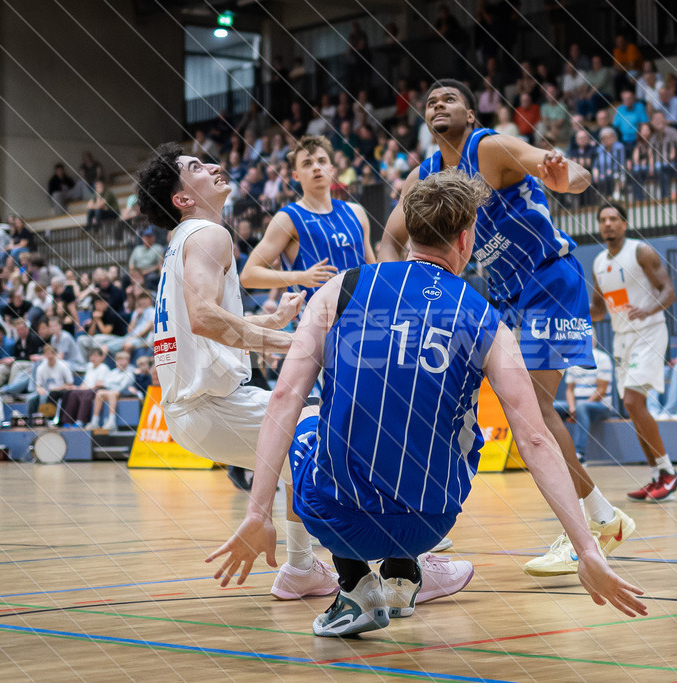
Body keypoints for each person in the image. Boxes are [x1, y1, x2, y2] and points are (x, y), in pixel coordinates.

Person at [206, 169, 647, 637]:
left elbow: (283, 396)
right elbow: (535, 438)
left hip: (339, 522)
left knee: (310, 415)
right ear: (465, 238)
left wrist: (257, 514)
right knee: (459, 426)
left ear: (410, 231)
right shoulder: (486, 318)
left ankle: (354, 586)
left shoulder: (344, 287)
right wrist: (588, 549)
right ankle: (403, 572)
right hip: (430, 521)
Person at [136, 144, 471, 604]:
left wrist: (272, 323)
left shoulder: (183, 242)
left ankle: (302, 569)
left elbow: (203, 321)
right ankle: (403, 571)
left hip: (195, 409)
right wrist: (295, 344)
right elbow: (203, 319)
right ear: (182, 198)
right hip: (210, 404)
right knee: (340, 438)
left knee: (308, 451)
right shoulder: (209, 234)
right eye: (196, 168)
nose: (214, 166)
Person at [379, 80, 636, 576]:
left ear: (471, 115)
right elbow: (390, 238)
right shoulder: (425, 176)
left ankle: (592, 522)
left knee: (534, 409)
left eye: (448, 99)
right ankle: (600, 516)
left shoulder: (489, 148)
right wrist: (397, 286)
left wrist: (566, 179)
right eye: (430, 101)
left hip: (549, 279)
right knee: (458, 399)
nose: (437, 104)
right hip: (504, 298)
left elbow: (572, 173)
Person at [590, 203, 677, 500]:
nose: (608, 224)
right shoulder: (599, 262)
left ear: (625, 224)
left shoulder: (641, 251)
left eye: (614, 218)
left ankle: (669, 472)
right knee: (631, 406)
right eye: (603, 219)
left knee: (633, 399)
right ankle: (657, 476)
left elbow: (669, 291)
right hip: (621, 339)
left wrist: (648, 310)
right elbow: (599, 311)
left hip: (649, 331)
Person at [239, 136, 374, 300]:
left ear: (331, 169)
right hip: (317, 320)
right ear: (295, 176)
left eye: (322, 161)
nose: (316, 167)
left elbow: (373, 270)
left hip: (363, 317)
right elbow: (248, 275)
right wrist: (300, 277)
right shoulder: (287, 218)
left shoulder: (357, 212)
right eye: (307, 163)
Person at [558, 346, 615, 464]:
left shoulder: (603, 358)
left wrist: (577, 410)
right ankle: (554, 453)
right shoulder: (573, 359)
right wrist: (572, 408)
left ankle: (579, 455)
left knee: (581, 407)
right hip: (577, 406)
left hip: (600, 407)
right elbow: (569, 390)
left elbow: (602, 390)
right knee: (551, 407)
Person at [86, 351, 136, 431]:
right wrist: (109, 385)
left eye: (123, 360)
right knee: (99, 393)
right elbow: (106, 383)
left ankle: (111, 421)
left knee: (112, 393)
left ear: (128, 362)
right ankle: (95, 420)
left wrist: (109, 386)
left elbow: (122, 387)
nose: (120, 362)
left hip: (124, 393)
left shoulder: (129, 374)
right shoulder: (113, 372)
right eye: (118, 360)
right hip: (111, 391)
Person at [62, 348, 108, 426]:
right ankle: (67, 421)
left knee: (87, 394)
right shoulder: (89, 366)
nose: (93, 358)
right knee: (73, 393)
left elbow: (98, 384)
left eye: (95, 356)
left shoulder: (103, 368)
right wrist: (78, 388)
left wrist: (85, 389)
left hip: (96, 390)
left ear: (101, 357)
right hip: (86, 389)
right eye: (91, 356)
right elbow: (85, 381)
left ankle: (81, 421)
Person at [26, 345, 74, 417]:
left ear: (55, 354)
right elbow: (38, 386)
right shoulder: (41, 368)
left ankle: (45, 418)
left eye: (51, 354)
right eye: (47, 355)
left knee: (48, 396)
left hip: (59, 390)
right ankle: (31, 420)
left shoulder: (63, 366)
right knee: (30, 398)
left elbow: (70, 384)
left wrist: (56, 389)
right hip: (46, 390)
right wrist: (40, 390)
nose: (49, 357)